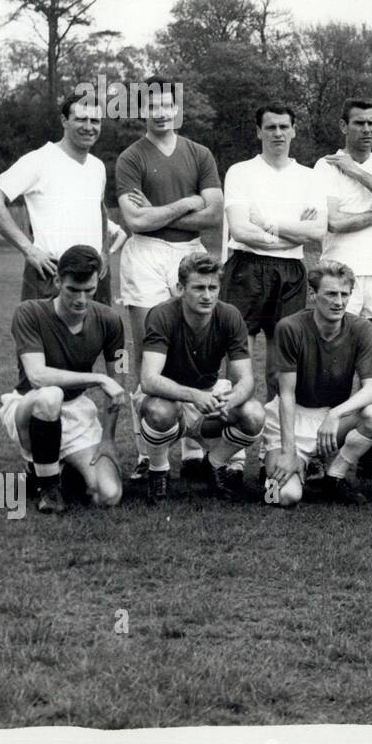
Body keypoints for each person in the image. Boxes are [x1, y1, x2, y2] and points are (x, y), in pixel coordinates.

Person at [115, 81, 223, 478]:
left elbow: (213, 214)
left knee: (197, 346)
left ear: (178, 110)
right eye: (152, 105)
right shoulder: (130, 158)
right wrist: (185, 202)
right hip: (144, 253)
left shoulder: (199, 153)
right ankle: (148, 454)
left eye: (167, 105)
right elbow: (137, 220)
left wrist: (162, 211)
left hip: (190, 252)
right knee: (148, 351)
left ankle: (195, 450)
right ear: (141, 110)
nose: (160, 112)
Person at [0, 245, 127, 513]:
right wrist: (97, 379)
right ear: (57, 281)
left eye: (89, 290)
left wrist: (109, 440)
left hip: (76, 412)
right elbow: (37, 376)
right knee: (50, 396)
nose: (81, 299)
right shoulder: (29, 312)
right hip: (29, 405)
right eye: (72, 290)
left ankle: (56, 468)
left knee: (108, 495)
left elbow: (120, 382)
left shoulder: (111, 320)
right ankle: (48, 486)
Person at [135, 252, 265, 502]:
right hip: (168, 397)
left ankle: (214, 464)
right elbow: (149, 379)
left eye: (212, 287)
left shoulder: (229, 315)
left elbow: (247, 379)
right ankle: (158, 470)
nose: (207, 295)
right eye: (198, 288)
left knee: (254, 414)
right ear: (180, 288)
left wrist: (232, 401)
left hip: (209, 393)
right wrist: (194, 395)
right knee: (160, 411)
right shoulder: (162, 314)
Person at [221, 104, 328, 396]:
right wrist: (292, 234)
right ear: (259, 132)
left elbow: (317, 231)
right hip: (246, 268)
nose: (278, 133)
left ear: (294, 130)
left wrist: (267, 224)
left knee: (281, 367)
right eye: (270, 127)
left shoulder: (310, 177)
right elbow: (241, 229)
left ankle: (273, 437)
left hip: (291, 273)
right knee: (237, 357)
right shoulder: (240, 172)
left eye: (284, 126)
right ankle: (236, 437)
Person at [261, 260, 372, 508]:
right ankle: (282, 467)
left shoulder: (362, 329)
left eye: (344, 294)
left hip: (331, 420)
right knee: (283, 496)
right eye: (330, 293)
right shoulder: (290, 327)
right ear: (312, 294)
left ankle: (334, 477)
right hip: (290, 417)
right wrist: (288, 451)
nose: (338, 302)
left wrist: (336, 414)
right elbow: (286, 394)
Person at [0, 92, 115, 304]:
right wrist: (28, 250)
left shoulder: (97, 166)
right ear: (64, 121)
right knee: (44, 337)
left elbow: (100, 210)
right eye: (80, 119)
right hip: (52, 273)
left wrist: (105, 252)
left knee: (99, 336)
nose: (89, 127)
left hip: (94, 277)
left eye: (95, 121)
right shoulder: (39, 160)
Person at [312, 97, 372, 374]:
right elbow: (336, 222)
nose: (367, 129)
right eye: (359, 123)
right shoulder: (327, 165)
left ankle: (371, 416)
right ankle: (329, 415)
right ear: (344, 126)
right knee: (334, 357)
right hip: (339, 272)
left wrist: (356, 171)